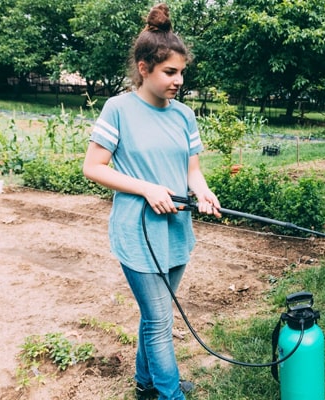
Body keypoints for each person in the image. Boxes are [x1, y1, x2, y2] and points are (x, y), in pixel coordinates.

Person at [83, 3, 220, 399]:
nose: (178, 81)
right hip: (137, 233)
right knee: (160, 319)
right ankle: (169, 393)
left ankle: (147, 384)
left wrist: (203, 191)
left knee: (153, 316)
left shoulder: (184, 116)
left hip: (176, 231)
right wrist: (147, 188)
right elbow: (93, 167)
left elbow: (192, 170)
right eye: (169, 72)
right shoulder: (119, 109)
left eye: (181, 73)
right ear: (144, 68)